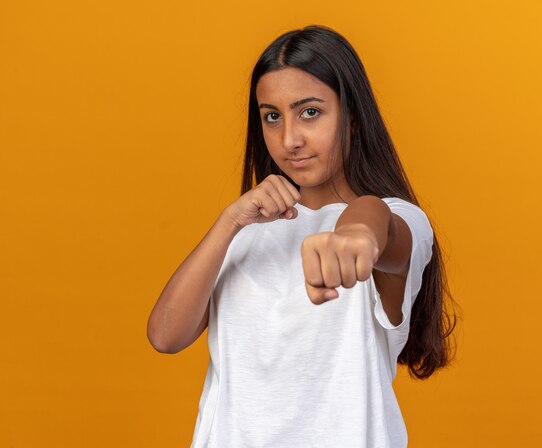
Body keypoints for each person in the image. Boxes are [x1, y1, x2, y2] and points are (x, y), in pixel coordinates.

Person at [147, 24, 459, 448]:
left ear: (352, 118)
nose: (289, 139)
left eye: (310, 111)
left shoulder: (402, 221)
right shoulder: (246, 230)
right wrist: (229, 222)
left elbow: (378, 222)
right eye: (272, 116)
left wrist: (356, 234)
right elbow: (166, 336)